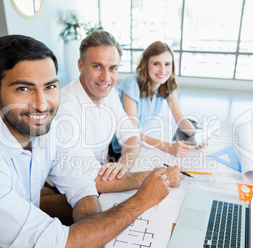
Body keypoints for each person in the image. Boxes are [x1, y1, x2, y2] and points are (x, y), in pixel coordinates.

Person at [0, 34, 174, 248]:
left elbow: (82, 188)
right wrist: (142, 200)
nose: (42, 104)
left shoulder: (50, 129)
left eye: (49, 87)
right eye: (24, 89)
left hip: (26, 247)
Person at [56, 31, 184, 193]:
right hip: (69, 190)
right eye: (97, 66)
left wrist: (123, 165)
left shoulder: (108, 93)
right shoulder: (66, 110)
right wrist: (160, 176)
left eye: (113, 68)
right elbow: (91, 180)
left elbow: (131, 135)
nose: (106, 77)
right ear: (81, 66)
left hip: (104, 169)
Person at [112, 41, 203, 158]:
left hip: (142, 143)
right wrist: (169, 147)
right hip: (123, 148)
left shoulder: (167, 85)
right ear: (146, 65)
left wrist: (198, 136)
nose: (162, 70)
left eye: (167, 64)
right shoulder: (131, 85)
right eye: (156, 64)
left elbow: (180, 119)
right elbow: (131, 133)